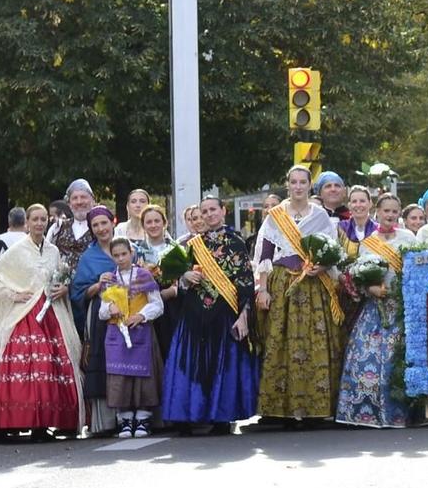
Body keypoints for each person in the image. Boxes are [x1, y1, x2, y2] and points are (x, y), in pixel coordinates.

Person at [0, 204, 84, 438]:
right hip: (24, 314)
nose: (39, 223)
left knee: (49, 364)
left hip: (51, 314)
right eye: (35, 219)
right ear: (27, 222)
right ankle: (14, 422)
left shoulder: (53, 251)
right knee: (24, 365)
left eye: (43, 219)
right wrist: (14, 294)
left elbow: (59, 277)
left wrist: (63, 289)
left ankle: (44, 423)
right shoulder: (17, 250)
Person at [252, 166, 344, 426]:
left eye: (303, 182)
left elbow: (332, 250)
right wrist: (263, 289)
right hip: (282, 284)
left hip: (313, 286)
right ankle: (278, 409)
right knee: (280, 342)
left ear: (309, 186)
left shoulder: (321, 216)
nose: (298, 186)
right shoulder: (275, 216)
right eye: (294, 182)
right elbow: (264, 255)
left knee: (313, 342)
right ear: (287, 185)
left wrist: (322, 266)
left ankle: (316, 407)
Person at [164, 196, 258, 434]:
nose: (208, 215)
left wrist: (244, 315)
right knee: (189, 362)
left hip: (223, 311)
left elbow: (245, 281)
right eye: (204, 211)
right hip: (194, 312)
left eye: (212, 209)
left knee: (221, 364)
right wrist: (185, 276)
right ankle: (186, 416)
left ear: (223, 211)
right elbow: (179, 275)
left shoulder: (236, 241)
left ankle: (220, 417)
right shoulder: (193, 244)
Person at [337, 193, 415, 428]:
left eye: (394, 211)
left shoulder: (408, 238)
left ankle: (401, 413)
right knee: (366, 355)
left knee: (398, 359)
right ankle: (366, 412)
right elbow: (358, 276)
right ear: (377, 212)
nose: (390, 215)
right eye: (386, 211)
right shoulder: (368, 243)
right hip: (374, 308)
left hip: (400, 307)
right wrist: (370, 288)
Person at [95, 237, 164, 437]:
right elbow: (101, 312)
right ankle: (125, 419)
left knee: (143, 375)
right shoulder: (110, 279)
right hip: (117, 332)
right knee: (120, 376)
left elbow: (157, 304)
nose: (120, 258)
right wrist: (110, 308)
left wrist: (142, 315)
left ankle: (143, 419)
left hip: (141, 330)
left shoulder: (143, 275)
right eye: (116, 255)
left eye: (124, 254)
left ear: (131, 253)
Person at [67, 206, 123, 435]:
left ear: (113, 222)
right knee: (104, 361)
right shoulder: (89, 257)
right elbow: (78, 292)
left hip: (129, 312)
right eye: (96, 225)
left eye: (104, 223)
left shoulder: (128, 249)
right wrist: (98, 285)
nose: (101, 229)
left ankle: (133, 415)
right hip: (100, 315)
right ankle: (105, 420)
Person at [50, 179, 99, 276]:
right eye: (75, 198)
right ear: (69, 203)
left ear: (93, 200)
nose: (79, 202)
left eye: (83, 197)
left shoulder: (100, 227)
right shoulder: (58, 227)